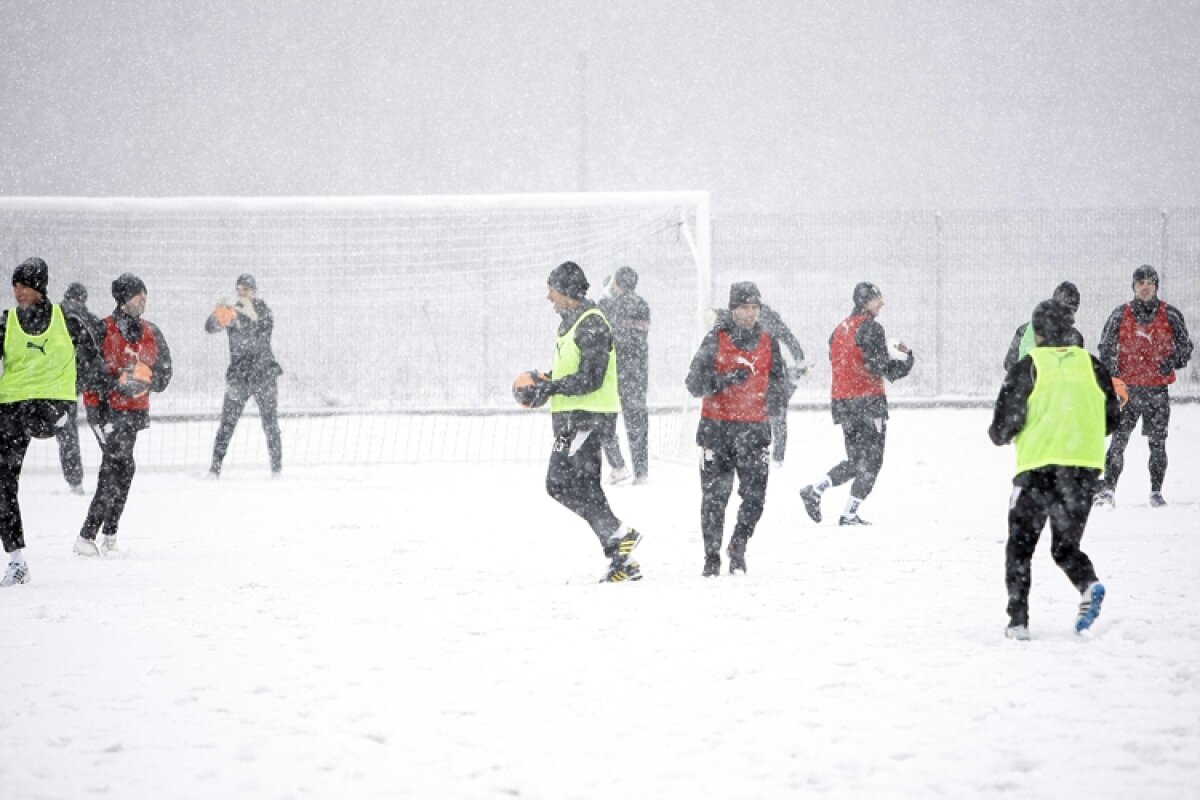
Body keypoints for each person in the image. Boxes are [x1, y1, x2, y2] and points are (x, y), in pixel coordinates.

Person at [989, 299, 1122, 640]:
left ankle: (1018, 622)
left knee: (1020, 547)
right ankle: (1088, 584)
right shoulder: (1093, 366)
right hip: (1083, 471)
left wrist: (1006, 431)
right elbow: (1112, 420)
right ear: (1071, 329)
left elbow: (1003, 428)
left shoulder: (1029, 366)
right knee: (1064, 546)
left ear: (1038, 332)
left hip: (1038, 468)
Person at [513, 261, 643, 582]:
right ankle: (621, 560)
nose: (548, 297)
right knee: (585, 487)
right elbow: (575, 372)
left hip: (587, 419)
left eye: (552, 289)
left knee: (557, 484)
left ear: (568, 292)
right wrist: (547, 383)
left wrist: (552, 386)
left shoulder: (592, 324)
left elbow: (592, 378)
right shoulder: (572, 322)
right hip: (574, 418)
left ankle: (616, 531)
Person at [1, 259, 100, 586]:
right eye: (15, 285)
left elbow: (94, 357)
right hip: (13, 406)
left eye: (24, 285)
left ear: (40, 287)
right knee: (3, 484)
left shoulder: (67, 320)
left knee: (62, 435)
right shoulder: (6, 322)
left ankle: (74, 475)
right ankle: (16, 559)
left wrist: (79, 386)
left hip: (51, 405)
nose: (18, 292)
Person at [685, 282, 788, 576]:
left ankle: (739, 545)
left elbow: (779, 382)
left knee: (755, 497)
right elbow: (693, 383)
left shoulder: (769, 341)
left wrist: (775, 402)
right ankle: (711, 557)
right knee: (715, 498)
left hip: (754, 431)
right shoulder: (715, 339)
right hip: (716, 432)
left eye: (755, 308)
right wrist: (725, 379)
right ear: (732, 310)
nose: (750, 313)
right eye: (744, 307)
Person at [798, 282, 915, 526]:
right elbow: (879, 366)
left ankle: (817, 490)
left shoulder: (839, 328)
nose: (881, 303)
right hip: (868, 402)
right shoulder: (871, 328)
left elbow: (839, 359)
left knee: (857, 461)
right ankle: (848, 514)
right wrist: (906, 360)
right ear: (864, 302)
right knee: (872, 462)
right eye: (877, 299)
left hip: (843, 402)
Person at [74, 273, 173, 557]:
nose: (142, 298)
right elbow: (85, 373)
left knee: (120, 469)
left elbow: (165, 374)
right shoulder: (101, 329)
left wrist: (145, 380)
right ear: (121, 299)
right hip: (105, 409)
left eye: (144, 293)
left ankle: (104, 536)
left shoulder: (152, 332)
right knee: (118, 465)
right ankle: (91, 535)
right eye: (136, 294)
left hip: (134, 410)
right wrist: (117, 379)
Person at [1094, 265, 1192, 508]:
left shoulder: (1170, 314)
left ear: (1156, 286)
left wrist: (1171, 362)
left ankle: (1156, 492)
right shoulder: (1120, 314)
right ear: (1134, 287)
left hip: (1157, 391)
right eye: (1140, 282)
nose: (1145, 286)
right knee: (1118, 442)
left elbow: (1185, 348)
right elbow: (1105, 348)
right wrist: (1115, 374)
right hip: (1128, 391)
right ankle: (1108, 490)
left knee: (1157, 443)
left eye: (1150, 282)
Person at [206, 274, 284, 477]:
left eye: (246, 289)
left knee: (271, 424)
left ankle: (277, 470)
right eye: (239, 289)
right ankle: (215, 469)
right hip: (239, 377)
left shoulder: (263, 311)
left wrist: (250, 316)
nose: (243, 292)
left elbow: (263, 333)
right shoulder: (231, 313)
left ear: (254, 291)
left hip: (264, 375)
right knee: (227, 424)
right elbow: (210, 328)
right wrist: (217, 314)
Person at [598, 265, 651, 484]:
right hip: (637, 373)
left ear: (617, 284)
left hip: (614, 371)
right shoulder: (643, 306)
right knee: (637, 422)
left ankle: (618, 465)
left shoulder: (611, 306)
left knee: (604, 419)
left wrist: (605, 299)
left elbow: (605, 331)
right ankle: (641, 471)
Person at [56, 282, 103, 494]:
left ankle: (75, 481)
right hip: (89, 377)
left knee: (67, 431)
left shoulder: (53, 315)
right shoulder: (90, 318)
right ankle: (113, 467)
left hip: (61, 378)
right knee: (100, 423)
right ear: (84, 299)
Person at [1003, 281, 1084, 372]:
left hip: (1027, 383)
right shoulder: (1074, 337)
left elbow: (1009, 364)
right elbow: (1075, 371)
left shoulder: (1024, 330)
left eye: (1074, 310)